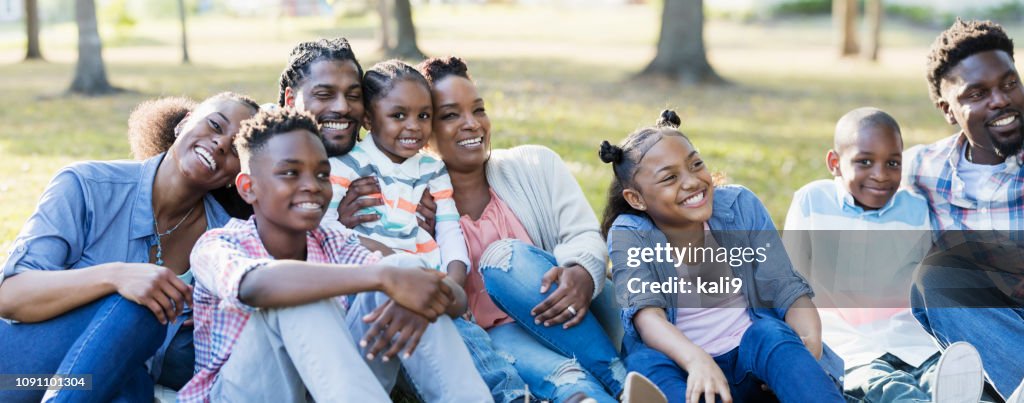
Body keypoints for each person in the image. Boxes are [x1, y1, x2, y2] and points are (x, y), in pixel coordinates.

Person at [176, 107, 490, 402]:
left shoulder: (331, 242)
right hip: (244, 392)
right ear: (248, 188)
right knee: (296, 295)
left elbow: (456, 300)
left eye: (322, 175)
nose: (312, 186)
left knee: (402, 268)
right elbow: (254, 286)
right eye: (290, 173)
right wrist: (383, 277)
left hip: (327, 388)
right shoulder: (217, 244)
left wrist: (413, 290)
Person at [0, 92, 259, 402]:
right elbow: (10, 294)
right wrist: (116, 277)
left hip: (106, 386)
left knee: (131, 384)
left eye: (234, 150)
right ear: (184, 124)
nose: (219, 144)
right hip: (20, 377)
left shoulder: (227, 244)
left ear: (237, 175)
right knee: (138, 306)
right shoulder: (86, 186)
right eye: (215, 125)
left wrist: (221, 319)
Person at [418, 56, 629, 403]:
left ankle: (624, 380)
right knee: (570, 384)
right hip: (500, 336)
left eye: (479, 109)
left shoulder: (535, 164)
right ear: (424, 129)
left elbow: (583, 234)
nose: (472, 124)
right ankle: (618, 389)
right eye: (451, 115)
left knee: (506, 258)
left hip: (580, 315)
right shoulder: (417, 206)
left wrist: (581, 273)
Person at [602, 110, 845, 403]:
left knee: (771, 334)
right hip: (687, 370)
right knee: (645, 365)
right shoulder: (631, 233)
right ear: (636, 199)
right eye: (669, 178)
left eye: (696, 164)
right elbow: (647, 317)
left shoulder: (739, 206)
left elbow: (785, 285)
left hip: (753, 359)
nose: (692, 182)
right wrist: (697, 361)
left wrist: (809, 338)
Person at [783, 107, 984, 402]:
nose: (880, 175)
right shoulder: (813, 201)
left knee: (945, 378)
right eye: (864, 162)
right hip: (846, 346)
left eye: (893, 163)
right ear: (835, 163)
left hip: (911, 341)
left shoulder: (914, 209)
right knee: (888, 389)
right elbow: (789, 279)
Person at [904, 18, 1024, 400]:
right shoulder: (918, 170)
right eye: (977, 93)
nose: (1001, 99)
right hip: (988, 329)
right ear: (947, 109)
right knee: (936, 276)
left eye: (1009, 83)